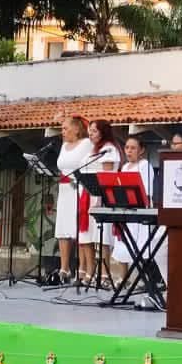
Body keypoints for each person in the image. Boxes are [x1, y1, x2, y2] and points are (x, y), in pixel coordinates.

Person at [75, 118, 120, 288]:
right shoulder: (93, 150)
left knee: (103, 239)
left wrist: (99, 198)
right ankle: (91, 272)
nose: (90, 134)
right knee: (90, 237)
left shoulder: (109, 150)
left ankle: (104, 275)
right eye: (90, 131)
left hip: (102, 198)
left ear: (103, 132)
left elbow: (107, 176)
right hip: (88, 196)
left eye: (94, 131)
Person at [110, 134, 160, 287]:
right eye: (127, 148)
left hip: (139, 210)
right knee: (122, 243)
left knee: (139, 244)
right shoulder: (124, 167)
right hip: (125, 209)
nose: (129, 151)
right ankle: (123, 277)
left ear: (141, 150)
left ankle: (140, 278)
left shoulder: (145, 165)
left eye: (133, 148)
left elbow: (146, 190)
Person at [52, 116, 95, 285]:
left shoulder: (86, 144)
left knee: (79, 229)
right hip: (64, 190)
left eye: (65, 128)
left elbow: (89, 166)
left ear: (77, 129)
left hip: (79, 189)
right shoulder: (63, 146)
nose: (62, 132)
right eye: (62, 129)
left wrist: (77, 180)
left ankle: (82, 268)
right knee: (63, 229)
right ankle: (64, 268)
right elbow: (63, 166)